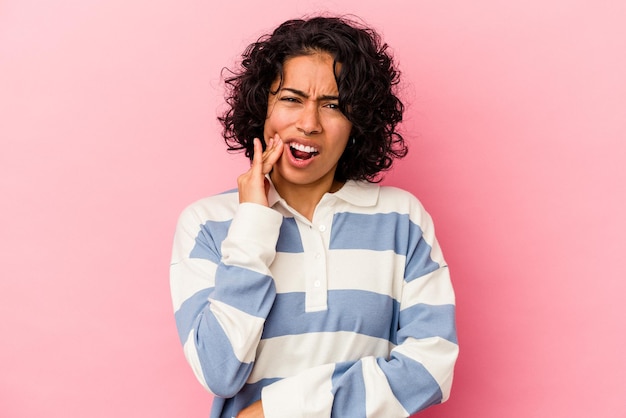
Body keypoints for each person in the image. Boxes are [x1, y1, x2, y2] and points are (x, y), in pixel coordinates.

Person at [170, 15, 458, 418]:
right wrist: (253, 222)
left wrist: (277, 411)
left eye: (333, 106)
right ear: (263, 107)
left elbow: (431, 368)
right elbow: (219, 372)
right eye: (291, 99)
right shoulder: (208, 224)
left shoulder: (400, 218)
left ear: (357, 123)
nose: (309, 124)